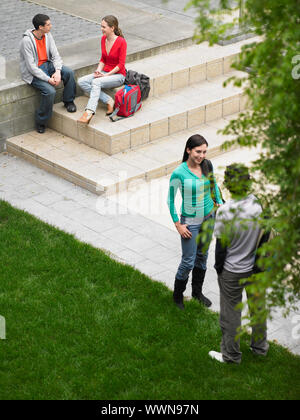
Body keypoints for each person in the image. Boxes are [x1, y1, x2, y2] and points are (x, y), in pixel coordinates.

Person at [209, 163, 269, 364]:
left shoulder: (225, 211)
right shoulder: (258, 204)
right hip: (256, 268)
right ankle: (260, 348)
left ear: (227, 184)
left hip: (232, 271)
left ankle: (231, 356)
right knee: (258, 309)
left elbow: (221, 247)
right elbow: (266, 232)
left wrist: (219, 269)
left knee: (231, 315)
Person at [167, 134, 223, 310]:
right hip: (190, 221)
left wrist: (219, 202)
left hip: (208, 218)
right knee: (188, 261)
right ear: (188, 150)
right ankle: (177, 297)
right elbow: (170, 200)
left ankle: (197, 293)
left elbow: (213, 185)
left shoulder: (207, 164)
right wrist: (178, 224)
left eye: (204, 152)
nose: (202, 155)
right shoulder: (179, 172)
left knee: (202, 256)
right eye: (198, 151)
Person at [19, 14, 77, 134]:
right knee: (50, 91)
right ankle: (41, 121)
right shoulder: (27, 41)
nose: (51, 26)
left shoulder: (48, 35)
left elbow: (56, 56)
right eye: (48, 24)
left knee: (69, 73)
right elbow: (31, 67)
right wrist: (48, 79)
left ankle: (69, 101)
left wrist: (58, 71)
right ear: (40, 27)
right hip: (34, 72)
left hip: (48, 65)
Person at [77, 15, 127, 124]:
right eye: (101, 26)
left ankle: (89, 111)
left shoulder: (121, 42)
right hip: (105, 72)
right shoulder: (103, 38)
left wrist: (106, 75)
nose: (101, 29)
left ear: (112, 28)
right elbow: (103, 59)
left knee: (96, 82)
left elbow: (121, 64)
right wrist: (99, 70)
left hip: (118, 75)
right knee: (82, 81)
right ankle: (108, 100)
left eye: (104, 27)